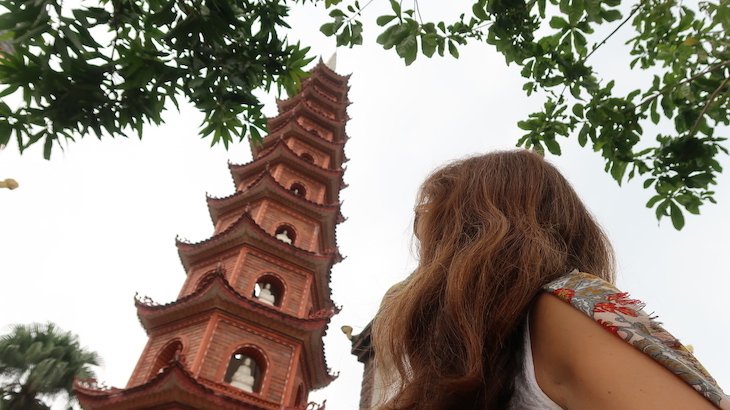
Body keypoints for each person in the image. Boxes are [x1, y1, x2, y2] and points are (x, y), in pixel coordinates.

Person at [372, 150, 728, 410]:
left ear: (478, 225)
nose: (423, 240)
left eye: (435, 221)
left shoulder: (558, 311)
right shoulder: (465, 355)